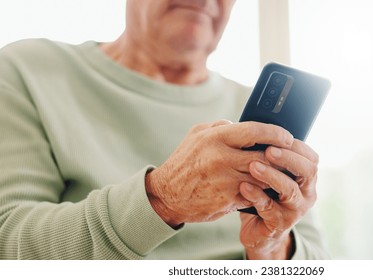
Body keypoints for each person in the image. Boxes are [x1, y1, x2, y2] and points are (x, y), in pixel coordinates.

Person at [0, 0, 328, 259]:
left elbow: (316, 262)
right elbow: (8, 243)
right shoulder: (30, 71)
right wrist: (162, 199)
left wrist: (271, 249)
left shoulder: (254, 115)